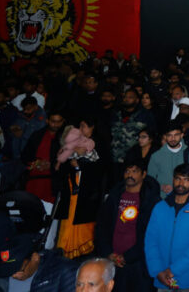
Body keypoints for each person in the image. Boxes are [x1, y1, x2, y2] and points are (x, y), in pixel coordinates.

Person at [94, 158, 162, 292]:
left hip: (139, 263)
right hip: (112, 260)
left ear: (143, 174)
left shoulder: (152, 200)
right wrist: (108, 253)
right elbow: (101, 226)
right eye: (127, 171)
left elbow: (152, 235)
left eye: (134, 171)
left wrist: (128, 256)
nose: (130, 175)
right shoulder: (114, 196)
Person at [145, 163, 189, 292]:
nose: (181, 183)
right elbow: (150, 241)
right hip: (162, 278)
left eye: (186, 179)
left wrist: (173, 270)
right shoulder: (160, 207)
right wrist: (157, 270)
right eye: (178, 178)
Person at [54, 122, 104, 259]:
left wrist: (81, 164)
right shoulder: (72, 143)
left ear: (92, 127)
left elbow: (100, 169)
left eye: (84, 126)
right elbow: (61, 165)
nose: (81, 129)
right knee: (67, 224)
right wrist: (72, 161)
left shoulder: (98, 144)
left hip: (88, 196)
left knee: (84, 228)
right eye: (79, 126)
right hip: (71, 192)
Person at [147, 122, 189, 197]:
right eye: (169, 135)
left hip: (186, 198)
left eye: (176, 135)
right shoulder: (156, 156)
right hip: (163, 198)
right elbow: (150, 180)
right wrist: (161, 187)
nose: (173, 138)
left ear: (182, 135)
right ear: (165, 136)